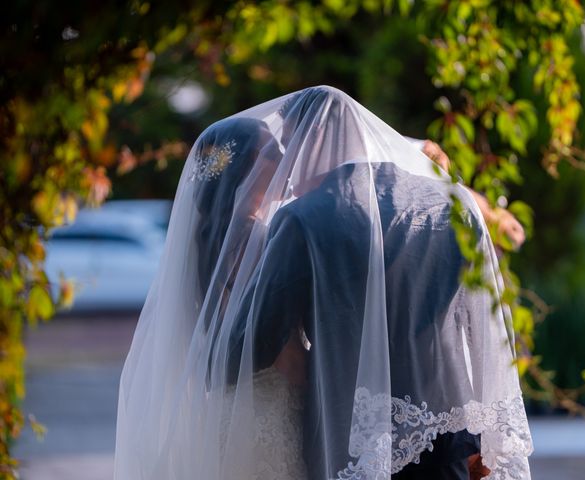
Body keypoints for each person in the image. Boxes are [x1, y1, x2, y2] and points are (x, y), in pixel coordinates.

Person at [114, 85, 533, 480]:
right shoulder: (453, 203)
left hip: (349, 437)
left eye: (293, 146)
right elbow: (486, 326)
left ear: (315, 142)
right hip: (451, 434)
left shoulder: (304, 220)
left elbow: (254, 342)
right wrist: (490, 440)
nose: (288, 162)